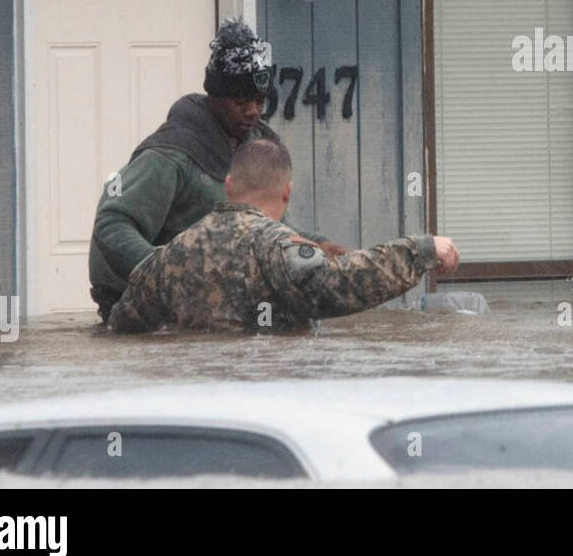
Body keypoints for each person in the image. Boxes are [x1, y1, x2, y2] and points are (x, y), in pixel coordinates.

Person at [89, 19, 345, 322]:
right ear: (215, 97)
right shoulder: (172, 154)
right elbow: (113, 222)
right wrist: (163, 275)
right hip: (145, 310)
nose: (253, 111)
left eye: (260, 101)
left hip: (217, 304)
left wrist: (318, 244)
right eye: (241, 101)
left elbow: (270, 227)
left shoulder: (255, 147)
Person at [109, 138, 460, 332]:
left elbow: (122, 324)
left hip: (199, 415)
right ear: (287, 193)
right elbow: (342, 284)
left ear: (228, 186)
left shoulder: (169, 256)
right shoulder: (276, 248)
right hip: (268, 405)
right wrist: (422, 249)